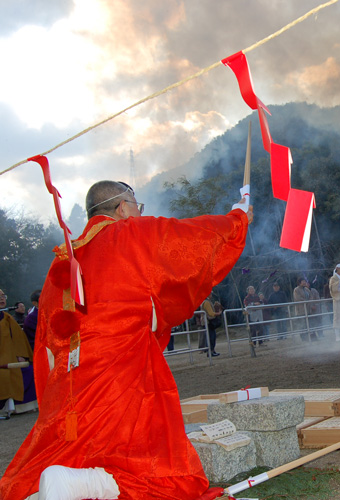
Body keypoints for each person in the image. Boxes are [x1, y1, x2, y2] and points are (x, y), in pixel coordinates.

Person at [0, 180, 252, 500]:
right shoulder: (128, 234)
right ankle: (77, 483)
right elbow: (187, 240)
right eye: (137, 206)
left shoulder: (63, 258)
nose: (139, 213)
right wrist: (237, 217)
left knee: (79, 445)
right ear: (122, 208)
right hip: (121, 367)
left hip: (71, 384)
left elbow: (48, 336)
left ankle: (45, 490)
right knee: (154, 463)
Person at [0, 289, 35, 419]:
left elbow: (18, 339)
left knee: (29, 370)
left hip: (10, 357)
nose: (2, 299)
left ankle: (21, 406)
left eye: (3, 296)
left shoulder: (7, 318)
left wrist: (21, 354)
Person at [200, 292, 222, 356]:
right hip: (208, 322)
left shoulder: (206, 301)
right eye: (210, 294)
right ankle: (210, 351)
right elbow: (210, 313)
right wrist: (218, 313)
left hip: (207, 322)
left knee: (212, 336)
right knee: (211, 337)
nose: (211, 295)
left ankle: (212, 351)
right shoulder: (206, 302)